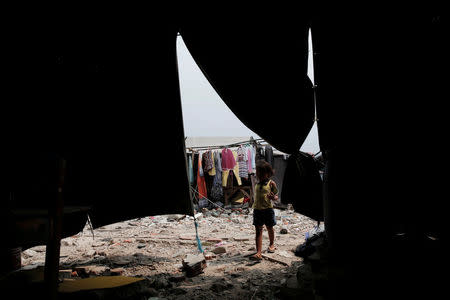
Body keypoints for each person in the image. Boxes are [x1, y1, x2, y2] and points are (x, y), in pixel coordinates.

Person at [250, 160, 278, 260]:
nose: (259, 175)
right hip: (257, 210)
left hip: (268, 210)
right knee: (258, 230)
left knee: (270, 228)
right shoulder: (257, 184)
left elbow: (276, 197)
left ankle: (271, 244)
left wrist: (273, 197)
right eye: (258, 173)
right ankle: (258, 253)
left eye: (262, 173)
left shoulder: (271, 183)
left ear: (268, 173)